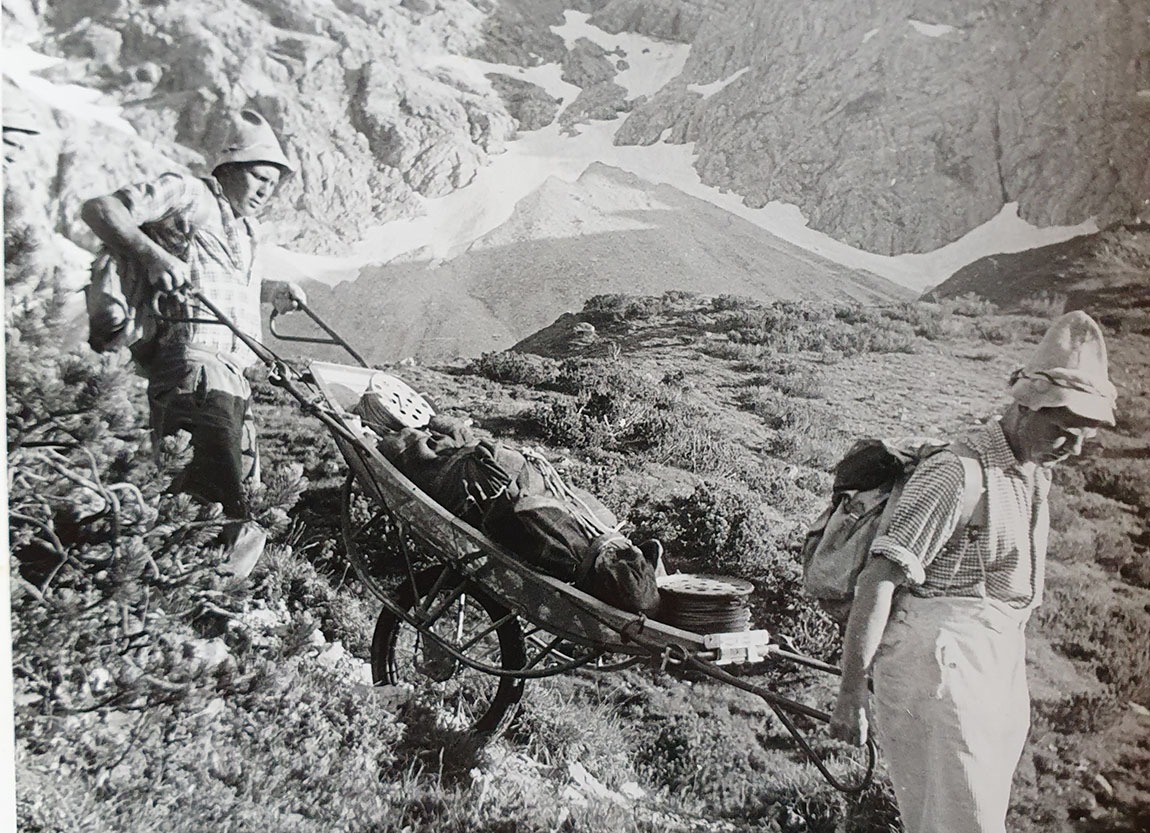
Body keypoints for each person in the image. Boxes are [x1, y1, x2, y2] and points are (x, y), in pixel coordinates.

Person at [829, 310, 1117, 833]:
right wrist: (852, 692)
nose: (1072, 449)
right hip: (938, 665)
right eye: (1064, 429)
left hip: (992, 663)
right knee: (963, 822)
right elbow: (879, 579)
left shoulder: (1032, 474)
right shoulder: (957, 474)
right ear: (1026, 406)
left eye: (1084, 436)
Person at [81, 109, 307, 578]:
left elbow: (215, 280)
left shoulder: (248, 229)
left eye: (274, 182)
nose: (267, 190)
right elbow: (100, 209)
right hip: (193, 370)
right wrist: (151, 253)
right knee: (221, 498)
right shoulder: (189, 194)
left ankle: (189, 593)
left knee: (235, 494)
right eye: (259, 177)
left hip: (232, 378)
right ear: (226, 171)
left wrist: (271, 291)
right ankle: (193, 599)